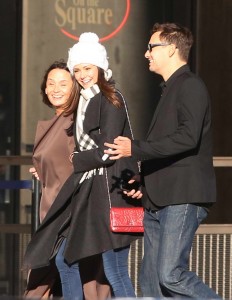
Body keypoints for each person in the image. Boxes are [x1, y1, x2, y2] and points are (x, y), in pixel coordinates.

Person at [104, 22, 221, 298]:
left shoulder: (190, 85)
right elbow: (171, 145)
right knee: (152, 283)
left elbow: (188, 138)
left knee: (170, 274)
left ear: (170, 49)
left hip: (181, 196)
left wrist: (136, 149)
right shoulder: (171, 88)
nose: (146, 54)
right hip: (159, 198)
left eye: (151, 47)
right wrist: (143, 179)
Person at [23, 34, 142, 300]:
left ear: (100, 67)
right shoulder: (88, 101)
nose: (82, 74)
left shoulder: (109, 98)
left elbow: (109, 149)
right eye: (77, 69)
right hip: (94, 194)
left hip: (106, 196)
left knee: (115, 272)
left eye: (87, 68)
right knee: (69, 261)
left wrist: (75, 159)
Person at [24, 60, 111, 300]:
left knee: (73, 277)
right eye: (50, 83)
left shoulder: (78, 121)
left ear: (75, 87)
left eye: (63, 83)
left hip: (71, 214)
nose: (55, 88)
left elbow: (85, 160)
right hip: (51, 213)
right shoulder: (52, 123)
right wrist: (42, 168)